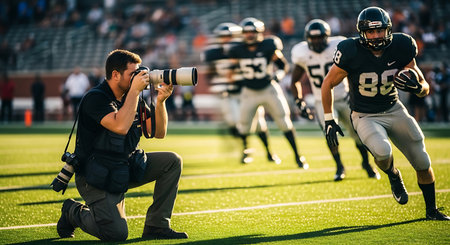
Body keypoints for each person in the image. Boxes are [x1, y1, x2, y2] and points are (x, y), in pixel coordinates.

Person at [321, 7, 449, 220]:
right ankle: (393, 174)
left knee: (422, 161)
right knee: (382, 151)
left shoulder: (402, 45)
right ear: (362, 33)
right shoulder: (350, 50)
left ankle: (432, 211)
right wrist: (328, 119)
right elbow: (328, 84)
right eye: (370, 32)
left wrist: (419, 88)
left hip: (394, 108)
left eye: (380, 30)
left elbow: (423, 84)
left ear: (388, 29)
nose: (376, 36)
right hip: (364, 114)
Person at [56, 49, 188, 241]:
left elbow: (158, 132)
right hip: (95, 175)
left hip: (123, 167)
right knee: (116, 234)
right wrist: (135, 90)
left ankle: (156, 226)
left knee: (172, 161)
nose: (138, 77)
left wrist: (160, 103)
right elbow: (120, 126)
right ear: (115, 74)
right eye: (132, 74)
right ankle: (73, 212)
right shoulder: (96, 98)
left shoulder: (132, 97)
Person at [291, 19, 380, 181]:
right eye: (313, 38)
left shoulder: (339, 45)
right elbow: (294, 80)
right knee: (330, 134)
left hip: (345, 97)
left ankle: (366, 164)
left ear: (327, 37)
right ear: (307, 38)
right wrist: (298, 101)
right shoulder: (301, 52)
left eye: (319, 38)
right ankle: (339, 166)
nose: (316, 41)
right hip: (322, 100)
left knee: (358, 133)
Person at [228, 17, 307, 168]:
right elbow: (232, 70)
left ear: (259, 33)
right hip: (249, 91)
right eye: (247, 32)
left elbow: (283, 66)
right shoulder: (237, 49)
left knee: (284, 122)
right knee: (244, 125)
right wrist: (234, 84)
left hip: (268, 89)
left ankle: (298, 156)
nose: (250, 35)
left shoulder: (268, 46)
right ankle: (246, 152)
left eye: (253, 32)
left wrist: (279, 75)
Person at [203, 22, 281, 164]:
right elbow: (211, 74)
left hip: (247, 91)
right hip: (230, 94)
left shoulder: (241, 49)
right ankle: (246, 151)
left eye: (229, 36)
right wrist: (219, 87)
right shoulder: (214, 54)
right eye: (223, 37)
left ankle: (269, 152)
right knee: (235, 123)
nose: (226, 39)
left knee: (258, 124)